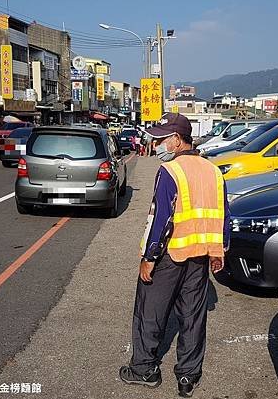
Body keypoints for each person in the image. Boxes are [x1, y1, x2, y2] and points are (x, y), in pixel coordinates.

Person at [119, 113, 230, 398]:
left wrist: (149, 257)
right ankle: (188, 376)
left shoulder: (171, 172)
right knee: (192, 317)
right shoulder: (214, 171)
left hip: (170, 255)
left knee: (150, 312)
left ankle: (144, 369)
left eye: (160, 139)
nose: (156, 144)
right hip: (201, 256)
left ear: (177, 140)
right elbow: (224, 216)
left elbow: (161, 219)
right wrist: (220, 251)